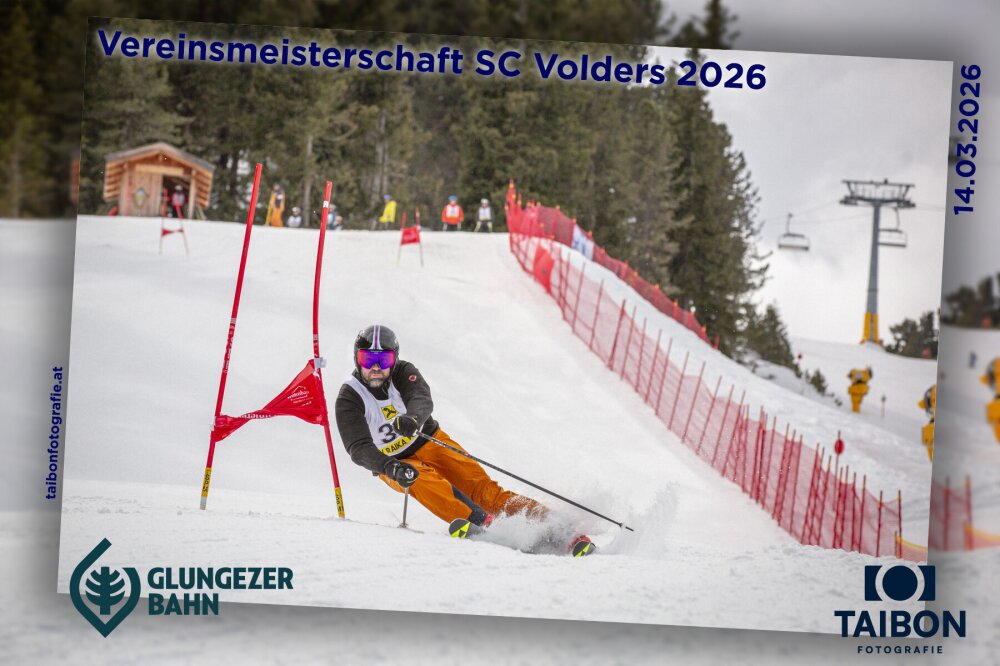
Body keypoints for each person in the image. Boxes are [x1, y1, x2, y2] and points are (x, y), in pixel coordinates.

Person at [334, 325, 592, 550]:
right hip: (392, 462)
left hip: (430, 441)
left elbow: (421, 398)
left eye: (384, 360)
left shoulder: (403, 372)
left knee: (485, 491)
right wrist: (390, 467)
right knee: (419, 478)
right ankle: (483, 524)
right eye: (368, 359)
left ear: (395, 359)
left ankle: (557, 527)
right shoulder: (350, 397)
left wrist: (413, 418)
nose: (376, 368)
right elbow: (358, 447)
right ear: (357, 359)